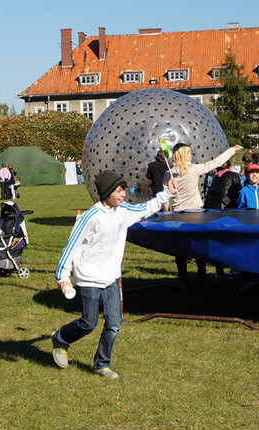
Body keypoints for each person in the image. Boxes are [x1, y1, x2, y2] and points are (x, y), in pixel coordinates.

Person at [51, 170, 177, 379]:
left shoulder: (123, 210)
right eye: (118, 191)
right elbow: (71, 246)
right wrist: (63, 277)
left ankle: (101, 364)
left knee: (114, 323)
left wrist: (166, 193)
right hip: (89, 277)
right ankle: (61, 338)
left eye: (123, 190)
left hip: (111, 278)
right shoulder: (90, 217)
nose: (122, 195)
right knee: (88, 323)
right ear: (107, 192)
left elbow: (145, 208)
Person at [167, 143, 242, 287]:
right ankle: (202, 277)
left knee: (180, 248)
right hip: (195, 213)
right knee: (198, 245)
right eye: (188, 153)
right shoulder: (193, 169)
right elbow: (216, 163)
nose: (191, 156)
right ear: (183, 155)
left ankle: (183, 279)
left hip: (177, 214)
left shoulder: (168, 174)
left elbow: (165, 195)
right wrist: (232, 150)